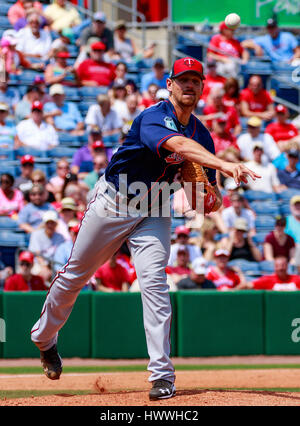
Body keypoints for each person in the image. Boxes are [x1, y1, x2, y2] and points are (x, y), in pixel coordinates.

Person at [30, 57, 258, 400]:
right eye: (183, 80)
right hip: (113, 203)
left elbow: (199, 200)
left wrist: (208, 200)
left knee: (154, 283)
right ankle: (45, 339)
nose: (189, 86)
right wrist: (225, 164)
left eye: (195, 81)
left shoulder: (202, 135)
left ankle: (162, 376)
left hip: (155, 209)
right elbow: (178, 146)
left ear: (201, 88)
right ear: (169, 85)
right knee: (75, 275)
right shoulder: (153, 117)